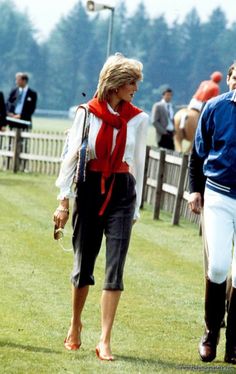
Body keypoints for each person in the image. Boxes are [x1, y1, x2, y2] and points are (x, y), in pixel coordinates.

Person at [53, 53, 149, 360]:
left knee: (115, 266)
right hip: (91, 189)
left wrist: (136, 208)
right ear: (116, 84)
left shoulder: (139, 119)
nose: (136, 87)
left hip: (123, 192)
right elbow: (70, 157)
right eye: (132, 81)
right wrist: (63, 199)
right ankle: (75, 323)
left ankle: (105, 339)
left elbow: (141, 165)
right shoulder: (87, 113)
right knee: (83, 265)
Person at [188, 64, 236, 365]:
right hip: (218, 194)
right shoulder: (214, 108)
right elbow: (197, 153)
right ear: (230, 80)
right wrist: (194, 189)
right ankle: (210, 334)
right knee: (218, 267)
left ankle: (235, 344)